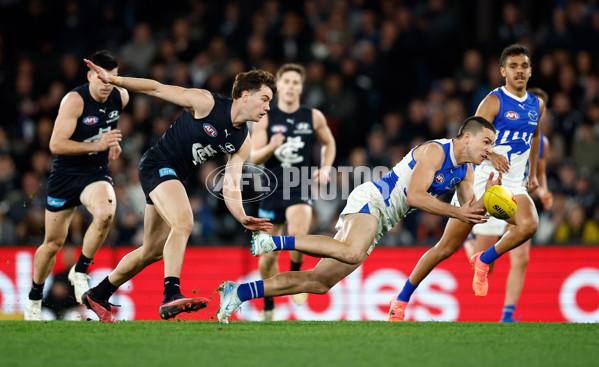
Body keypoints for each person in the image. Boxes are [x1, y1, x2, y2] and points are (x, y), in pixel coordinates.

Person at [216, 116, 499, 324]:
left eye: (492, 144)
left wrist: (490, 196)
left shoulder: (466, 171)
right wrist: (459, 212)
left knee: (318, 282)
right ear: (466, 137)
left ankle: (238, 292)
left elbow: (469, 211)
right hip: (373, 199)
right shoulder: (436, 151)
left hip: (382, 219)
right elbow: (415, 196)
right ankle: (272, 241)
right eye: (486, 142)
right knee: (352, 252)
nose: (489, 149)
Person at [81, 59, 276, 323]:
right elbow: (156, 89)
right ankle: (171, 294)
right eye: (264, 99)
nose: (267, 106)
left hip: (173, 177)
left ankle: (98, 293)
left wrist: (241, 216)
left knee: (151, 250)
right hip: (157, 165)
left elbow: (230, 184)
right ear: (245, 95)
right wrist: (114, 80)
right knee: (184, 222)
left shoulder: (242, 141)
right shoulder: (206, 102)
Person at [386, 43, 545, 322]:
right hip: (483, 181)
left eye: (523, 66)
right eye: (513, 66)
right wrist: (492, 154)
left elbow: (534, 137)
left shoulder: (537, 105)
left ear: (530, 71)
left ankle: (483, 259)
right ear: (502, 71)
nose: (519, 71)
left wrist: (532, 173)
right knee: (445, 249)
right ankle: (401, 299)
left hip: (514, 184)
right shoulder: (494, 101)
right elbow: (473, 139)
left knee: (530, 224)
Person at [24, 50, 129, 321]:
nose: (107, 84)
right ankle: (34, 300)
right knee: (52, 244)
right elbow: (55, 144)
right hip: (65, 175)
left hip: (95, 172)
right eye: (101, 78)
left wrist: (113, 143)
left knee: (106, 212)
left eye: (112, 79)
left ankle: (80, 270)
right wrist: (100, 145)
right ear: (89, 75)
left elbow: (107, 124)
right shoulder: (74, 100)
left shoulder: (122, 96)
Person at [250, 63, 336, 321]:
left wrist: (325, 168)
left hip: (300, 182)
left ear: (301, 86)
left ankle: (297, 271)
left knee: (298, 234)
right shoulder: (266, 116)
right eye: (286, 81)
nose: (291, 86)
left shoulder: (313, 116)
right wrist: (271, 147)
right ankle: (268, 301)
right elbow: (254, 157)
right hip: (273, 186)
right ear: (279, 86)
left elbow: (329, 142)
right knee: (267, 257)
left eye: (295, 82)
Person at [463, 87, 553, 322]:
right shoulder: (497, 121)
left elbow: (539, 170)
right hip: (491, 186)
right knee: (487, 267)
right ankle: (470, 243)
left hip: (515, 191)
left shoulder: (540, 140)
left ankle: (507, 315)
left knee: (521, 256)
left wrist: (541, 189)